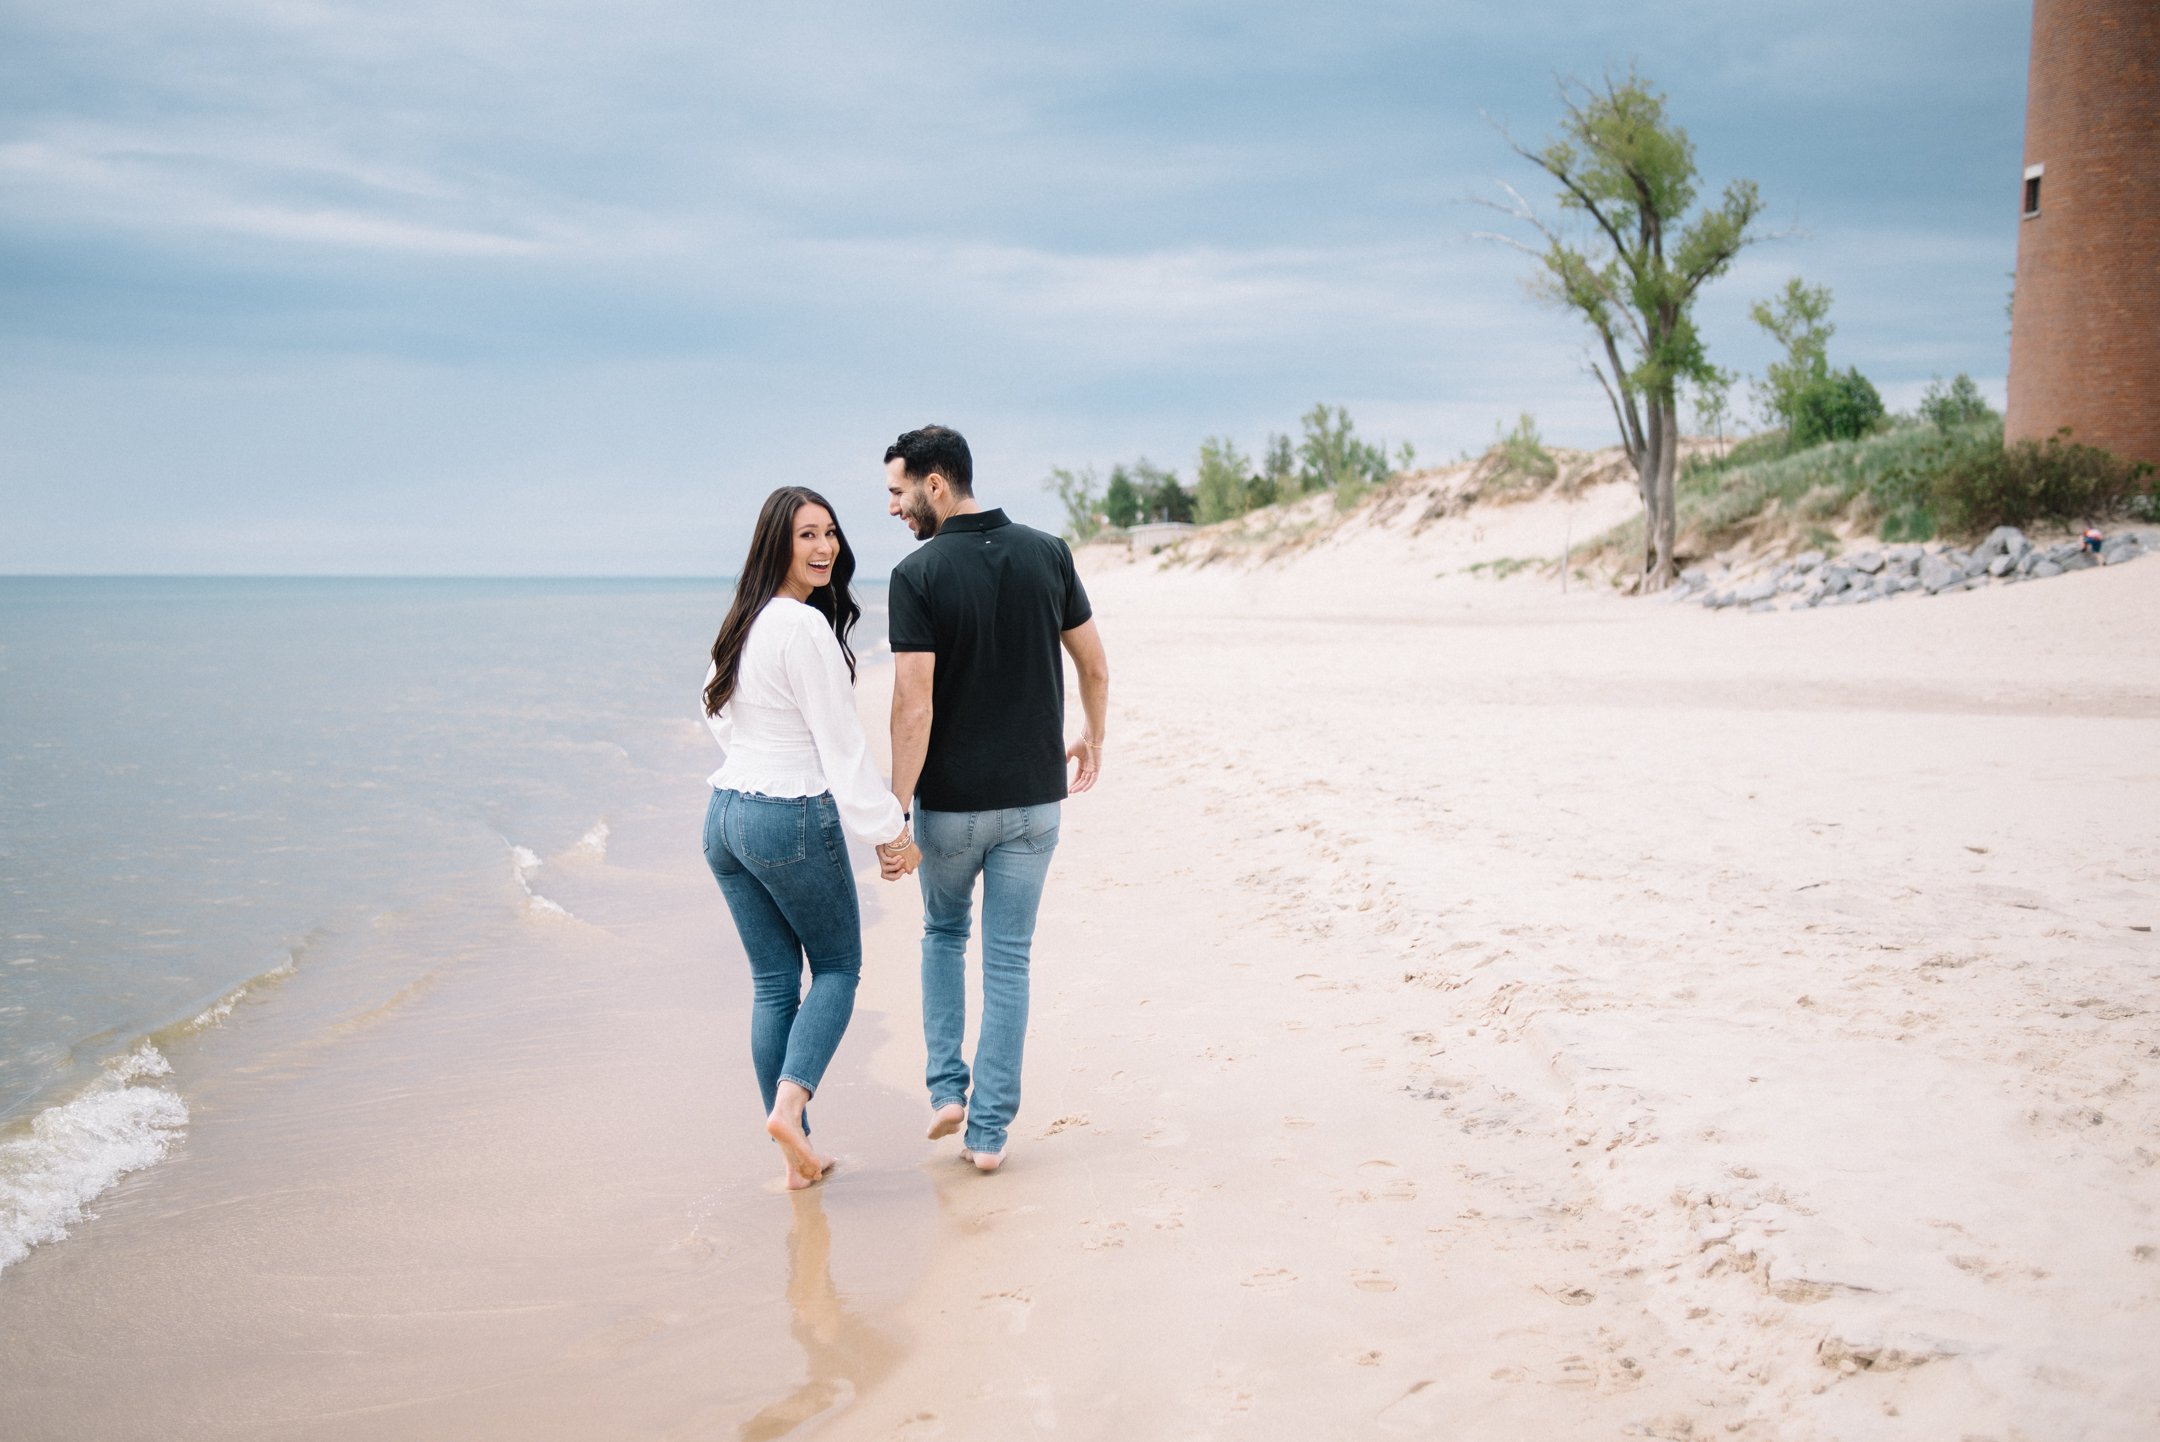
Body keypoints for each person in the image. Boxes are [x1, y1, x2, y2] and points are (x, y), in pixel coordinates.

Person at [881, 425, 1111, 1173]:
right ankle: (988, 1136)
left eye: (897, 490)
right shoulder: (1048, 552)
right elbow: (1095, 665)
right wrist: (1092, 738)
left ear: (935, 484)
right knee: (1009, 962)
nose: (892, 507)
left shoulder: (917, 575)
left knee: (945, 937)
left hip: (951, 807)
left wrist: (897, 807)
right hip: (1034, 804)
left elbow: (913, 706)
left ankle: (948, 1088)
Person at [701, 486, 921, 1190]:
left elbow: (713, 707)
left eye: (829, 533)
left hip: (726, 816)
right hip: (786, 814)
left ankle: (796, 1158)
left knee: (773, 984)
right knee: (836, 970)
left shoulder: (747, 620)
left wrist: (756, 754)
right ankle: (791, 1108)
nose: (824, 548)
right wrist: (890, 831)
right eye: (806, 536)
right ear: (778, 544)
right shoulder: (801, 628)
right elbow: (840, 745)